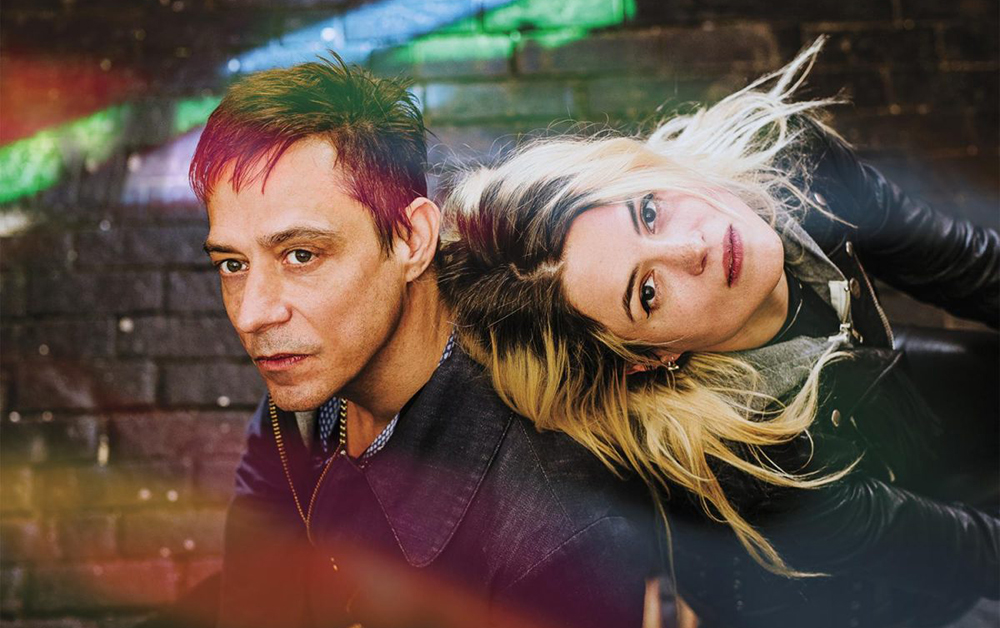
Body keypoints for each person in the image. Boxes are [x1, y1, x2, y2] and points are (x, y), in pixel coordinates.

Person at [436, 38, 999, 628]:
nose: (693, 247)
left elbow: (968, 264)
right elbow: (961, 553)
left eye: (648, 212)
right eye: (647, 292)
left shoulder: (793, 163)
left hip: (866, 389)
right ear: (649, 358)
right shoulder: (758, 468)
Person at [184, 56, 665, 628]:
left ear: (412, 238)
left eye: (302, 255)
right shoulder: (306, 395)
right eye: (233, 264)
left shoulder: (555, 532)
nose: (254, 314)